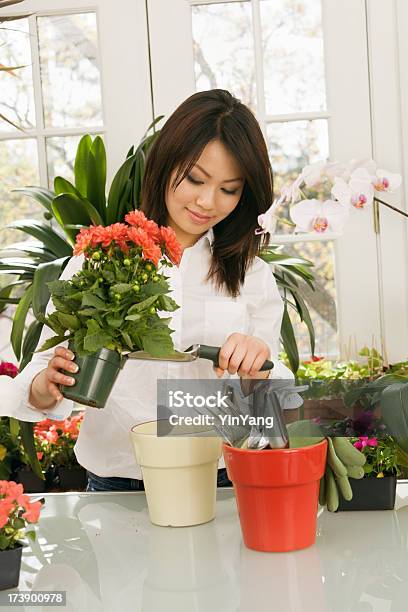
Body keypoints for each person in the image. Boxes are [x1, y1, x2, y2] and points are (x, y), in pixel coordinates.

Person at [14, 89, 293, 492]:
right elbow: (42, 376)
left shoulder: (251, 276)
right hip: (115, 482)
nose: (206, 201)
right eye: (195, 178)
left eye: (229, 189)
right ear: (166, 163)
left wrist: (257, 369)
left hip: (215, 481)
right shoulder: (101, 260)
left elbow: (269, 405)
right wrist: (45, 387)